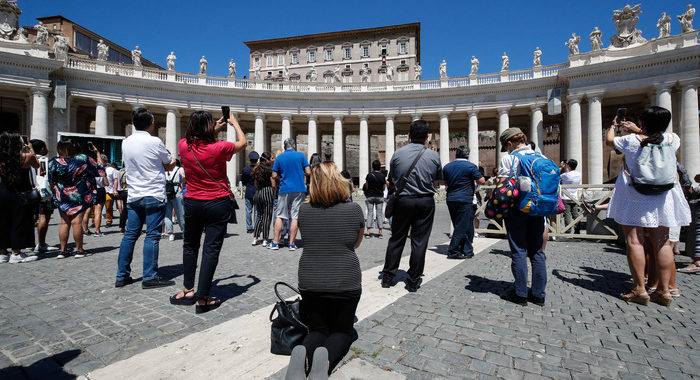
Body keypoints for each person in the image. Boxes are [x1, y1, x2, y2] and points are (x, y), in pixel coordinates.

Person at [606, 106, 691, 307]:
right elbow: (655, 137)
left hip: (636, 195)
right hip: (663, 197)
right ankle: (664, 290)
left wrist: (613, 125)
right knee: (662, 242)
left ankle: (639, 289)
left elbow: (610, 140)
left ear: (642, 123)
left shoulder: (630, 141)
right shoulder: (673, 139)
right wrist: (639, 130)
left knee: (635, 242)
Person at [289, 161, 364, 378]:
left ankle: (302, 357)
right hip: (345, 281)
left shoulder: (304, 210)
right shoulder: (354, 209)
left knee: (318, 330)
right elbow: (355, 243)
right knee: (342, 331)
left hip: (310, 281)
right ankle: (325, 362)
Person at [169, 109, 246, 313]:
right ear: (208, 128)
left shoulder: (183, 146)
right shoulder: (219, 147)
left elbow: (199, 140)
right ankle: (203, 298)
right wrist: (234, 124)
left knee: (190, 246)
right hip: (217, 202)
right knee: (210, 249)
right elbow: (243, 143)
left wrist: (213, 127)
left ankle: (187, 290)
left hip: (193, 201)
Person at [115, 108, 176, 289]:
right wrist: (170, 163)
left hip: (134, 195)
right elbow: (169, 163)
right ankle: (149, 276)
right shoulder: (155, 141)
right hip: (154, 194)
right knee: (152, 236)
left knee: (129, 235)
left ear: (133, 123)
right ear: (151, 124)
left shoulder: (125, 143)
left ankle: (122, 275)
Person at [381, 120, 442, 292]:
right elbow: (437, 179)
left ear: (409, 135)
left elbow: (392, 178)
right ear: (427, 136)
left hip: (403, 200)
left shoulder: (398, 154)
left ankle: (387, 276)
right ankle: (414, 280)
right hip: (425, 201)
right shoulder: (434, 156)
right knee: (420, 241)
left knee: (397, 238)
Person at [497, 127, 547, 306]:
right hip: (538, 209)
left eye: (506, 146)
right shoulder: (542, 157)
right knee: (537, 252)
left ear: (510, 143)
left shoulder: (509, 159)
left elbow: (502, 186)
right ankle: (539, 294)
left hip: (517, 209)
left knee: (518, 251)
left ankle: (520, 294)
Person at [49, 139, 106, 258]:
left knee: (64, 222)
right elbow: (100, 170)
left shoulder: (53, 162)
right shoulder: (82, 159)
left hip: (62, 194)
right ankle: (79, 249)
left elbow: (51, 180)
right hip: (79, 193)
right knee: (76, 222)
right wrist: (97, 153)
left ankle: (63, 250)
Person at [0, 132, 39, 264]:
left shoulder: (2, 158)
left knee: (3, 222)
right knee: (18, 222)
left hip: (3, 191)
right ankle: (16, 252)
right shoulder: (25, 157)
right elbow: (37, 165)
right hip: (19, 193)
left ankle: (2, 252)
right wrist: (30, 148)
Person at [443, 146, 485, 259]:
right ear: (467, 155)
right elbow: (482, 181)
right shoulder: (470, 166)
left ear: (456, 154)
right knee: (461, 226)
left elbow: (443, 181)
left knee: (460, 224)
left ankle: (467, 250)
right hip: (464, 198)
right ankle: (453, 251)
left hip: (451, 198)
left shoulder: (447, 166)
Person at [270, 138, 311, 251]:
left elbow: (273, 175)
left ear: (284, 147)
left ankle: (275, 242)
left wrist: (281, 176)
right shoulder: (301, 156)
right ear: (294, 146)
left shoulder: (280, 157)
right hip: (299, 189)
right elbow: (308, 172)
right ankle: (292, 243)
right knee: (295, 216)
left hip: (284, 189)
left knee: (280, 215)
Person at [30, 139, 56, 254]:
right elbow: (49, 177)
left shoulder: (27, 159)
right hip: (44, 192)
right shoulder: (45, 160)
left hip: (30, 192)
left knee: (32, 217)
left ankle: (29, 242)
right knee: (44, 217)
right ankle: (41, 243)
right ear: (42, 149)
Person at [82, 154, 109, 236]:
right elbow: (106, 183)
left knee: (87, 211)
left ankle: (86, 230)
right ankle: (97, 231)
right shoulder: (101, 170)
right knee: (98, 212)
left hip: (89, 190)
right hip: (100, 190)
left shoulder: (89, 169)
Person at [252, 152, 275, 246]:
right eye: (272, 158)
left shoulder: (256, 169)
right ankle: (265, 239)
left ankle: (255, 238)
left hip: (258, 193)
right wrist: (274, 192)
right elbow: (273, 184)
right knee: (267, 216)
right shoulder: (269, 170)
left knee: (259, 216)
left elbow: (255, 184)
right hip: (267, 192)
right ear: (268, 160)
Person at [164, 159, 186, 241]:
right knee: (180, 212)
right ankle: (184, 231)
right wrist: (182, 184)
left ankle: (170, 234)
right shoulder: (179, 169)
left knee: (167, 214)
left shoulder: (164, 169)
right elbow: (184, 177)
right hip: (176, 190)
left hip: (166, 191)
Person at [364, 160, 386, 238]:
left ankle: (368, 232)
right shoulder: (383, 176)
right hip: (379, 196)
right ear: (380, 167)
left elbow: (366, 186)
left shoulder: (369, 175)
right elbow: (383, 188)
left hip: (370, 196)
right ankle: (380, 232)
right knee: (379, 214)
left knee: (370, 213)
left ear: (372, 166)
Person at [560, 159, 582, 232]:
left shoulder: (566, 175)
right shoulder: (579, 174)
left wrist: (562, 168)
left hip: (566, 197)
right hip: (575, 197)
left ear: (568, 166)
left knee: (567, 215)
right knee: (576, 214)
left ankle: (568, 231)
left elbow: (557, 176)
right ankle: (577, 231)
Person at [241, 151, 259, 233]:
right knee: (256, 211)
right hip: (257, 191)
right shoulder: (259, 170)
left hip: (249, 191)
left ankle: (249, 227)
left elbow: (243, 181)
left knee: (248, 210)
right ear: (257, 160)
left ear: (250, 160)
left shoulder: (245, 170)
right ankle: (256, 226)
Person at [104, 161, 118, 227]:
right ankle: (94, 221)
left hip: (108, 191)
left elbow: (115, 180)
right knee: (96, 208)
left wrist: (115, 190)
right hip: (98, 190)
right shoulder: (95, 168)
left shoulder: (111, 170)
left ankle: (109, 220)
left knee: (108, 206)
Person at [117, 163, 128, 233]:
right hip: (129, 191)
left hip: (123, 190)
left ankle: (122, 226)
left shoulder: (120, 171)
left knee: (125, 210)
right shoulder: (130, 171)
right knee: (131, 210)